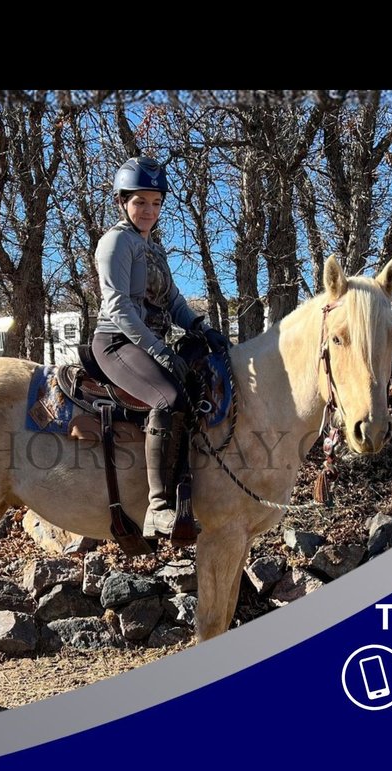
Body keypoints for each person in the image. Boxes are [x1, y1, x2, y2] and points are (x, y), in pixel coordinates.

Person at [93, 156, 223, 538]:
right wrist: (158, 350)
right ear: (122, 202)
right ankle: (159, 507)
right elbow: (118, 307)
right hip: (117, 342)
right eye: (140, 202)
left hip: (148, 342)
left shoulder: (155, 248)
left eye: (155, 203)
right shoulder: (116, 242)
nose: (148, 210)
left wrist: (201, 327)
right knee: (166, 398)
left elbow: (174, 301)